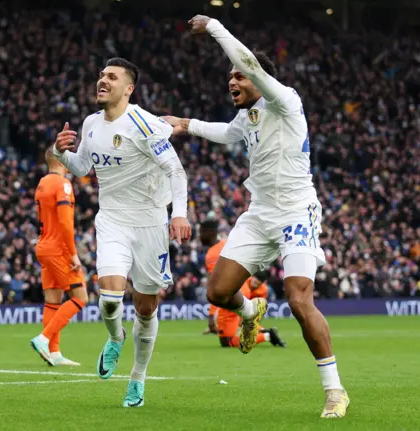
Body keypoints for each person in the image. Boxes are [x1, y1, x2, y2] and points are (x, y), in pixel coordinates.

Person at [163, 16, 349, 418]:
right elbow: (229, 135)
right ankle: (251, 312)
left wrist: (214, 26)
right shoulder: (247, 117)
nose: (233, 82)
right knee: (217, 293)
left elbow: (248, 64)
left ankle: (334, 391)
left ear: (257, 78)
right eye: (229, 78)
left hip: (297, 211)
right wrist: (185, 125)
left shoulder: (285, 101)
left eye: (239, 78)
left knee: (299, 299)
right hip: (260, 213)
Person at [53, 57, 191, 407]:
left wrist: (179, 214)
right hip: (112, 218)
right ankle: (115, 338)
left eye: (111, 77)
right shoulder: (90, 124)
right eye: (101, 75)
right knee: (110, 299)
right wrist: (59, 152)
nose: (103, 80)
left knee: (146, 309)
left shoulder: (145, 124)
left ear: (128, 88)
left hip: (150, 223)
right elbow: (83, 167)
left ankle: (137, 378)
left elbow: (176, 172)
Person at [30, 151, 88, 367]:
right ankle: (43, 338)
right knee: (80, 297)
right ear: (61, 159)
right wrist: (73, 253)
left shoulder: (42, 182)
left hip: (43, 246)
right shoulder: (62, 184)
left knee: (52, 301)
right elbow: (65, 223)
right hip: (58, 248)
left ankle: (54, 352)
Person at [200, 220, 287, 348]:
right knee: (240, 322)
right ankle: (261, 330)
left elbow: (217, 287)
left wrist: (212, 317)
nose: (199, 236)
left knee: (228, 341)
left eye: (201, 233)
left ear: (210, 233)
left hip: (232, 293)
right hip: (241, 287)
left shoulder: (212, 254)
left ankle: (267, 336)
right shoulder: (226, 244)